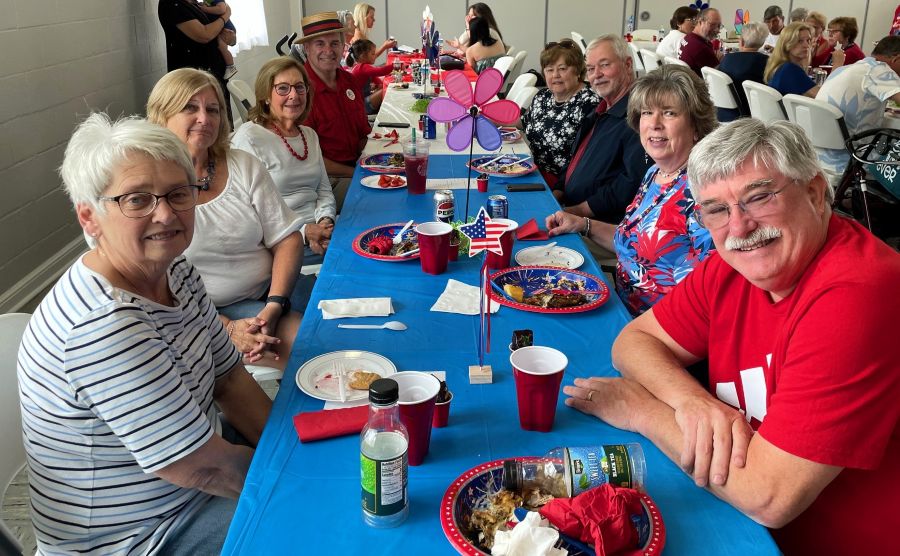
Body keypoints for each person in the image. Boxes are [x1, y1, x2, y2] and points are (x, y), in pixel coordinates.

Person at [562, 118, 900, 556]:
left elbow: (767, 495)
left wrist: (641, 410)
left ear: (815, 193)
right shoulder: (734, 266)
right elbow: (634, 341)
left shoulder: (858, 293)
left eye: (758, 197)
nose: (739, 227)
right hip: (733, 511)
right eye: (716, 210)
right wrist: (692, 401)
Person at [18, 113, 272, 554]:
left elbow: (229, 379)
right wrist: (299, 480)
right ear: (90, 218)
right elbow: (203, 469)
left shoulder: (176, 270)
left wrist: (287, 451)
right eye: (137, 199)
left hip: (192, 475)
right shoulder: (103, 325)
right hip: (141, 536)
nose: (166, 214)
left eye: (178, 193)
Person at [148, 68, 306, 370]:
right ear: (162, 115)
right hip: (198, 314)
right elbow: (152, 284)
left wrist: (275, 304)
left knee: (340, 326)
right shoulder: (148, 186)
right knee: (307, 352)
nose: (204, 119)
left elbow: (286, 238)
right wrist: (227, 327)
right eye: (190, 108)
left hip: (273, 292)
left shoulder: (242, 165)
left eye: (213, 109)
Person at [545, 65, 716, 316]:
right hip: (620, 305)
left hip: (659, 326)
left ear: (696, 126)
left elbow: (715, 290)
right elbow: (632, 241)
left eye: (669, 113)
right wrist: (583, 224)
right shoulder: (655, 174)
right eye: (647, 112)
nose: (654, 124)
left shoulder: (704, 192)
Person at [232, 56, 337, 266]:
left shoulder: (309, 135)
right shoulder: (249, 137)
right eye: (282, 88)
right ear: (266, 96)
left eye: (299, 87)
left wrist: (325, 222)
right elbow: (247, 211)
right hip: (281, 241)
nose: (293, 95)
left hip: (321, 229)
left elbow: (324, 190)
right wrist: (305, 232)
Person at [552, 35, 651, 224]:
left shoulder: (638, 117)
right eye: (590, 69)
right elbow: (574, 160)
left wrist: (579, 210)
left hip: (597, 224)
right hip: (568, 210)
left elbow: (631, 183)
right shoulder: (600, 109)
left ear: (628, 65)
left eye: (604, 65)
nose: (596, 75)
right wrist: (555, 194)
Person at [299, 11, 371, 209]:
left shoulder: (349, 81)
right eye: (320, 44)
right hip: (325, 181)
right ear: (306, 48)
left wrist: (375, 160)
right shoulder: (300, 91)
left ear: (343, 46)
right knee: (379, 199)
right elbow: (310, 160)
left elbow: (361, 134)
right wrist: (358, 173)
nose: (328, 50)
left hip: (355, 167)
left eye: (334, 43)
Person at [521, 39, 599, 186]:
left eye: (562, 69)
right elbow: (524, 122)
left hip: (566, 183)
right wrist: (486, 119)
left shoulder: (589, 103)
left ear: (577, 70)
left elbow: (587, 158)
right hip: (533, 172)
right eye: (549, 70)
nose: (555, 75)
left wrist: (560, 191)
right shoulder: (543, 96)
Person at [815, 36, 900, 173]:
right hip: (851, 159)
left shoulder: (849, 68)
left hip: (820, 156)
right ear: (896, 59)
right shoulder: (879, 69)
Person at [158, 0, 234, 123]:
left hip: (215, 75)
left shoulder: (197, 4)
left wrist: (230, 37)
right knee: (201, 123)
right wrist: (226, 15)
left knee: (222, 123)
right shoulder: (172, 4)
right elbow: (205, 34)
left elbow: (226, 37)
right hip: (193, 80)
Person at [717, 21, 770, 120]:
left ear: (741, 41)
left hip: (724, 113)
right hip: (753, 115)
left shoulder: (727, 58)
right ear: (762, 43)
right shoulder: (766, 62)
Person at [764, 22, 819, 97]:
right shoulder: (791, 69)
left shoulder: (780, 66)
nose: (806, 45)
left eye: (808, 40)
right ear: (787, 44)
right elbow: (825, 98)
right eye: (800, 41)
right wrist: (835, 69)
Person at [348, 39, 392, 113]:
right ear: (363, 56)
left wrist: (379, 85)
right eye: (373, 54)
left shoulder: (362, 67)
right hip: (361, 105)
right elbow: (381, 71)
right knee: (386, 90)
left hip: (363, 99)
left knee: (383, 87)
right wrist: (396, 65)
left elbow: (377, 80)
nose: (375, 56)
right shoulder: (362, 67)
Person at [199, 0, 238, 80]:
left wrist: (205, 9)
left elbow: (221, 9)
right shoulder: (208, 1)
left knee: (222, 47)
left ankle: (230, 66)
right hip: (221, 29)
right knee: (221, 47)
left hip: (226, 29)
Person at [678, 8, 723, 76]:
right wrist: (721, 61)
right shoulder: (700, 47)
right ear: (700, 22)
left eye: (719, 26)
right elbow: (719, 75)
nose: (717, 30)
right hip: (700, 81)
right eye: (712, 25)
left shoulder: (688, 37)